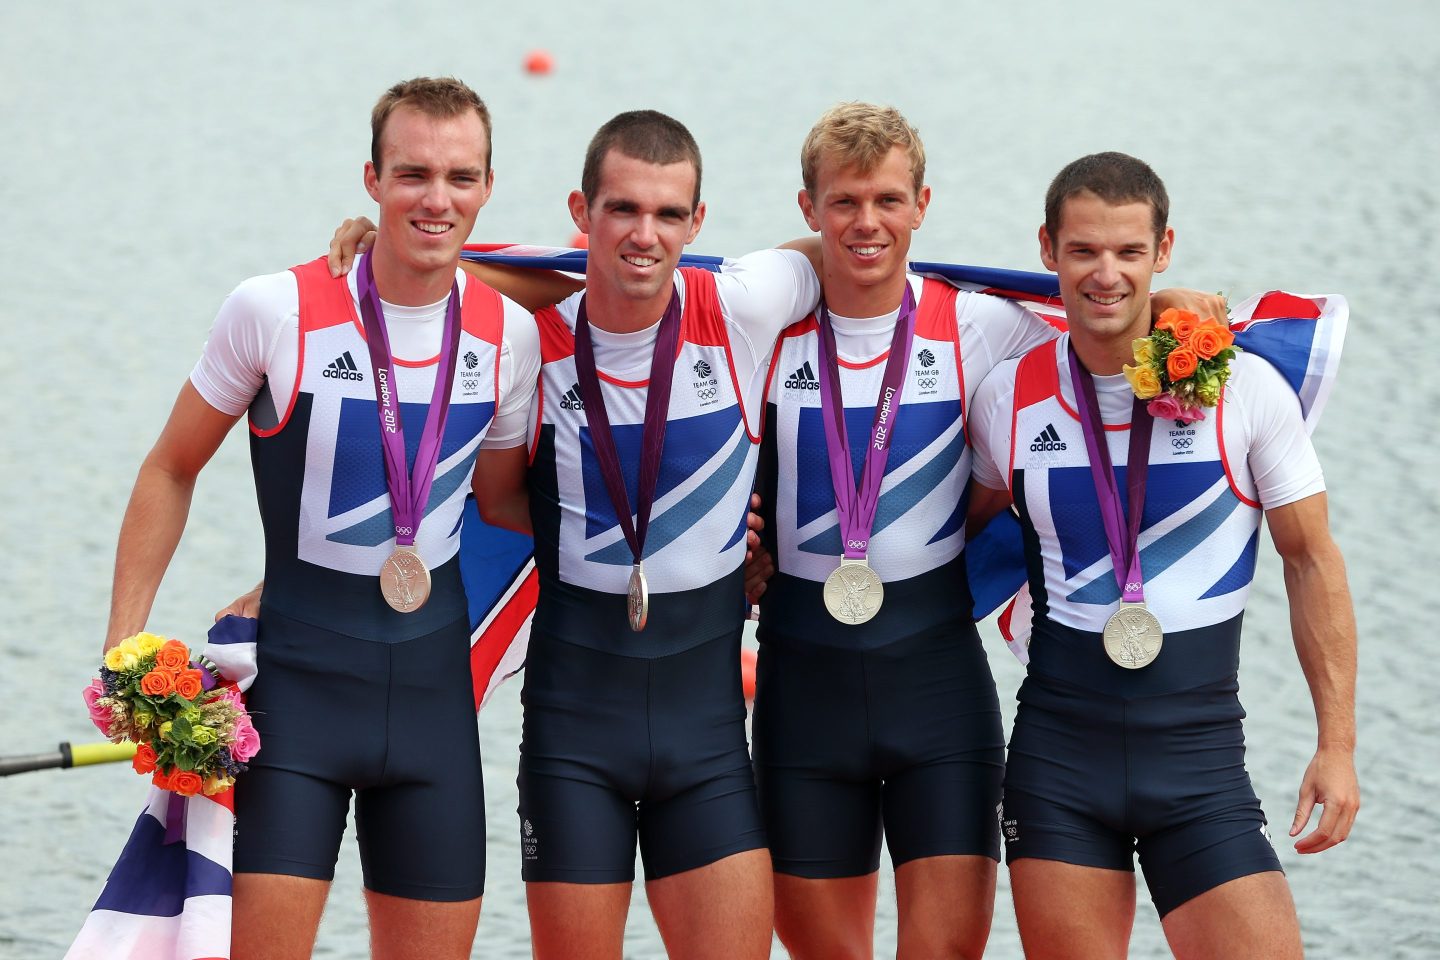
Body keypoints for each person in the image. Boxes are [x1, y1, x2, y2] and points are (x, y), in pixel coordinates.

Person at [746, 105, 1224, 960]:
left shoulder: (981, 328)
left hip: (938, 700)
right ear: (809, 207)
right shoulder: (763, 333)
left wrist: (1173, 302)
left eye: (888, 200)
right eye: (844, 201)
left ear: (923, 206)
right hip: (800, 699)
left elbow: (1102, 323)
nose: (867, 222)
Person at [103, 77, 540, 960]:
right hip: (295, 710)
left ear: (489, 186)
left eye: (460, 177)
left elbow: (503, 506)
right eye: (412, 173)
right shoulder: (275, 310)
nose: (437, 197)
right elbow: (171, 467)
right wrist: (123, 650)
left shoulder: (510, 335)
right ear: (371, 179)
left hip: (433, 715)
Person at [964, 152, 1358, 959]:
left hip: (1200, 771)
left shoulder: (1241, 389)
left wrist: (1337, 747)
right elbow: (948, 539)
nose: (1105, 273)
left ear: (1164, 250)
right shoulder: (1007, 397)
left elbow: (1312, 562)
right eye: (1083, 250)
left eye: (1129, 251)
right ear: (1047, 249)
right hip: (1058, 769)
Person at [459, 111, 822, 960]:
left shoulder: (741, 307)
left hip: (707, 745)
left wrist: (737, 529)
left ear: (698, 223)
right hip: (573, 740)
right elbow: (497, 501)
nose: (644, 234)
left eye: (668, 214)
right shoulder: (529, 345)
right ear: (580, 212)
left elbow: (845, 249)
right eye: (622, 209)